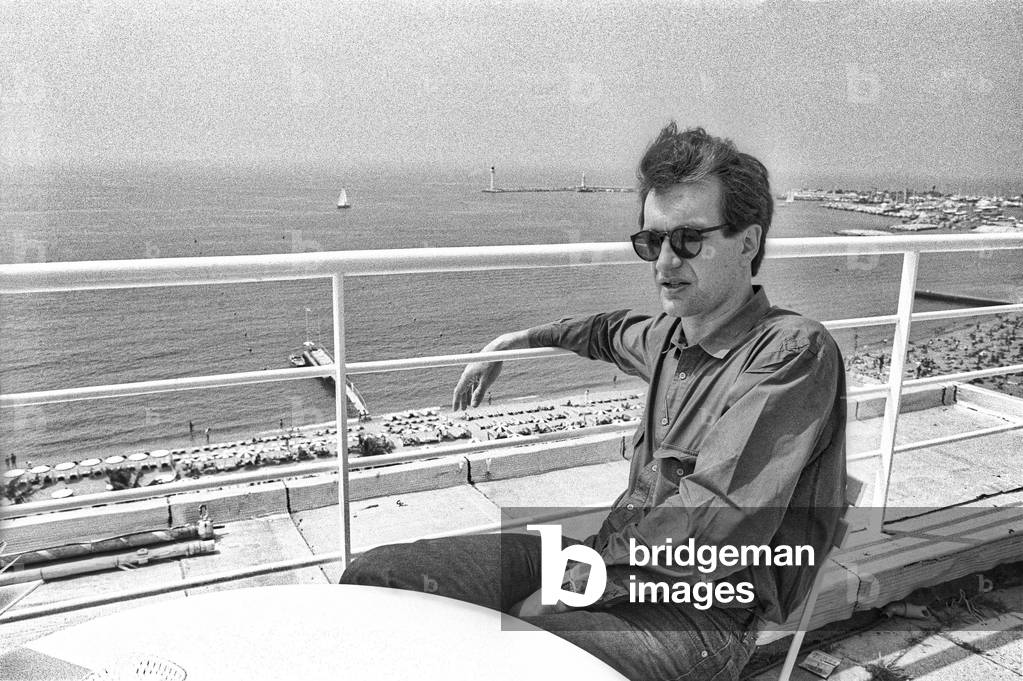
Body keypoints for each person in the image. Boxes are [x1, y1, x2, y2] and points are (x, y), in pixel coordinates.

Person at [340, 123, 847, 681]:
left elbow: (715, 520)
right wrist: (511, 342)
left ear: (747, 243)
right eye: (652, 242)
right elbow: (604, 332)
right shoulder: (668, 338)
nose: (664, 263)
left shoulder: (791, 353)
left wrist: (572, 586)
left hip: (701, 612)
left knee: (511, 664)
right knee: (379, 578)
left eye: (688, 240)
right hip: (609, 554)